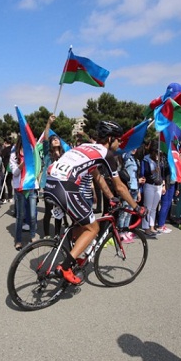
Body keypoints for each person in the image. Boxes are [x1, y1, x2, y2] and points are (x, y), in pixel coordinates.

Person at [44, 121, 146, 284]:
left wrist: (111, 197)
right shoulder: (107, 154)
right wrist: (137, 207)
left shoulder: (86, 147)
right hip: (66, 188)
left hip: (50, 185)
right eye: (118, 139)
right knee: (94, 228)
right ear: (111, 138)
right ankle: (65, 267)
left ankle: (68, 245)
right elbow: (120, 186)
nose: (119, 143)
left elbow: (97, 176)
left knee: (81, 225)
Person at [10, 135, 38, 250]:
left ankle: (32, 235)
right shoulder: (13, 155)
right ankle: (18, 240)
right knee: (20, 216)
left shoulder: (32, 153)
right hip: (20, 188)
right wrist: (22, 164)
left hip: (31, 187)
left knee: (32, 214)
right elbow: (15, 173)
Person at [140, 141, 165, 237]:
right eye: (155, 151)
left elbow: (162, 173)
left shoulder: (160, 159)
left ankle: (152, 226)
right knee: (148, 207)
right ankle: (145, 227)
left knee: (154, 208)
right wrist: (154, 170)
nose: (157, 154)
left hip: (158, 185)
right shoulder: (146, 159)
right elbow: (144, 173)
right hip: (149, 185)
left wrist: (163, 184)